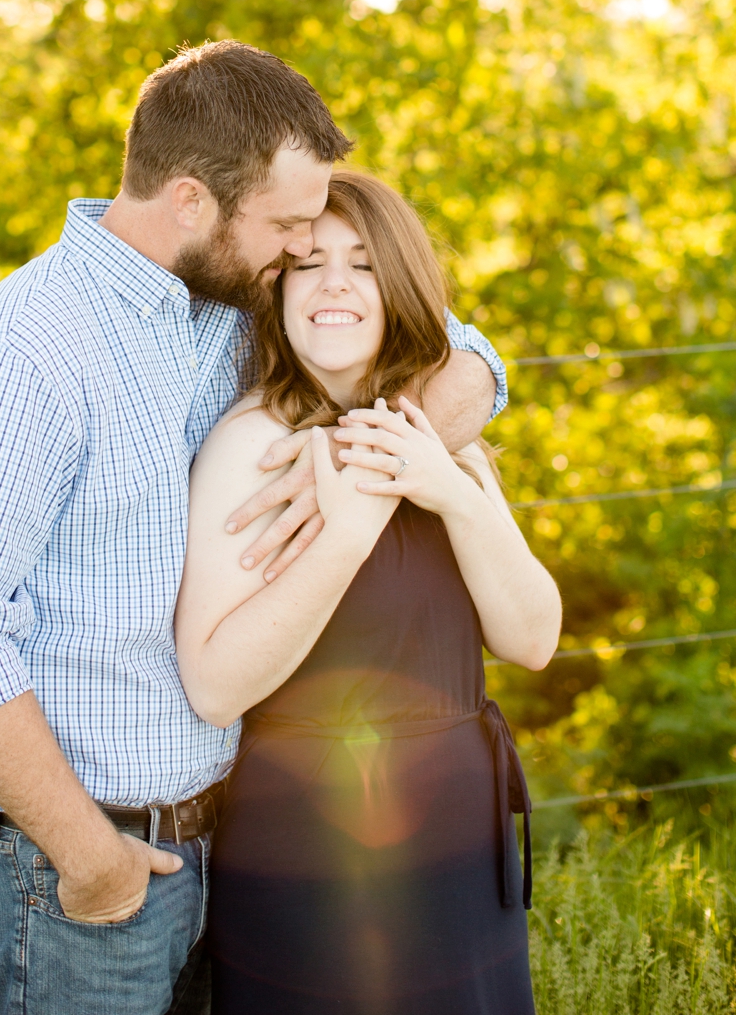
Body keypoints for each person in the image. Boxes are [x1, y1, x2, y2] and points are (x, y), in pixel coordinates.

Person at [0, 41, 509, 1015]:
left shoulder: (226, 302)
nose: (305, 249)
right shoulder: (16, 354)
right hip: (78, 871)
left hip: (229, 844)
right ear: (190, 201)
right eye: (291, 224)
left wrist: (372, 463)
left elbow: (457, 348)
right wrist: (91, 861)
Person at [178, 170, 558, 1013]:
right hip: (312, 845)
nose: (336, 285)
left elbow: (533, 638)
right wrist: (348, 534)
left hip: (461, 839)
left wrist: (451, 490)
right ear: (277, 292)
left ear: (403, 287)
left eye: (364, 264)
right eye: (310, 264)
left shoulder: (438, 435)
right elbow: (212, 685)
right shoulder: (256, 448)